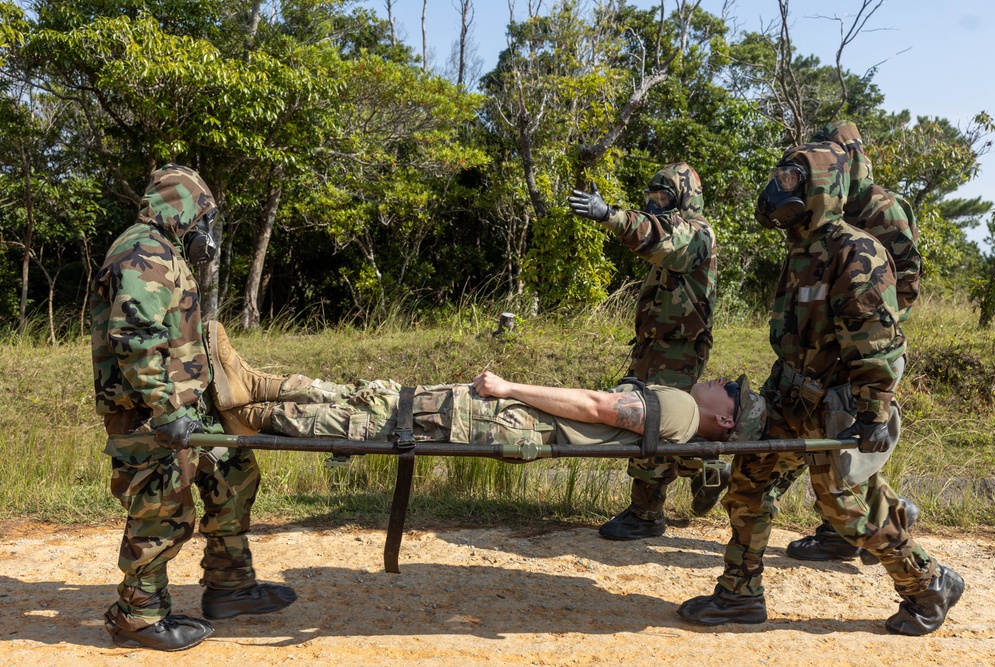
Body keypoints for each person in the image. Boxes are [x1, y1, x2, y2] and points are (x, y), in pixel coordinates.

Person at [676, 142, 963, 636]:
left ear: (823, 188)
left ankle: (928, 583)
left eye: (791, 180)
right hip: (790, 396)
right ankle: (740, 594)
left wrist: (873, 414)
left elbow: (877, 342)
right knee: (749, 483)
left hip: (838, 403)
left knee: (849, 510)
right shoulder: (801, 248)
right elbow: (794, 339)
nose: (778, 190)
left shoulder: (857, 251)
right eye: (780, 178)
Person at [90, 165, 296, 652]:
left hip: (188, 407)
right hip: (149, 414)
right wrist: (166, 412)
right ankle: (137, 615)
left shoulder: (167, 251)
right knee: (163, 509)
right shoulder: (141, 252)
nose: (206, 228)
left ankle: (231, 587)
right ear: (177, 208)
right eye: (201, 215)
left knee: (235, 476)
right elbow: (135, 339)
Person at [203, 322, 767, 458]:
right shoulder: (681, 411)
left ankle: (252, 411)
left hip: (508, 419)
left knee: (374, 417)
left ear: (725, 422)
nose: (722, 381)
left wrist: (508, 385)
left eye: (732, 393)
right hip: (510, 417)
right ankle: (249, 390)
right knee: (380, 400)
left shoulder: (679, 411)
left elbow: (595, 406)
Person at [781, 120, 922, 562]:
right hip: (833, 341)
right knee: (829, 437)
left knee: (848, 438)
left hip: (868, 337)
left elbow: (905, 282)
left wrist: (869, 331)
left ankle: (878, 524)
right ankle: (859, 526)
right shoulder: (821, 211)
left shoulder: (883, 209)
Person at [567, 163, 726, 541]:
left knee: (653, 425)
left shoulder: (696, 233)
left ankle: (646, 513)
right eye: (651, 199)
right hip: (655, 348)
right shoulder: (676, 230)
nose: (656, 206)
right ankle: (707, 465)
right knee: (656, 424)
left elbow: (659, 238)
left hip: (679, 349)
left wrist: (609, 215)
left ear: (685, 198)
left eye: (664, 198)